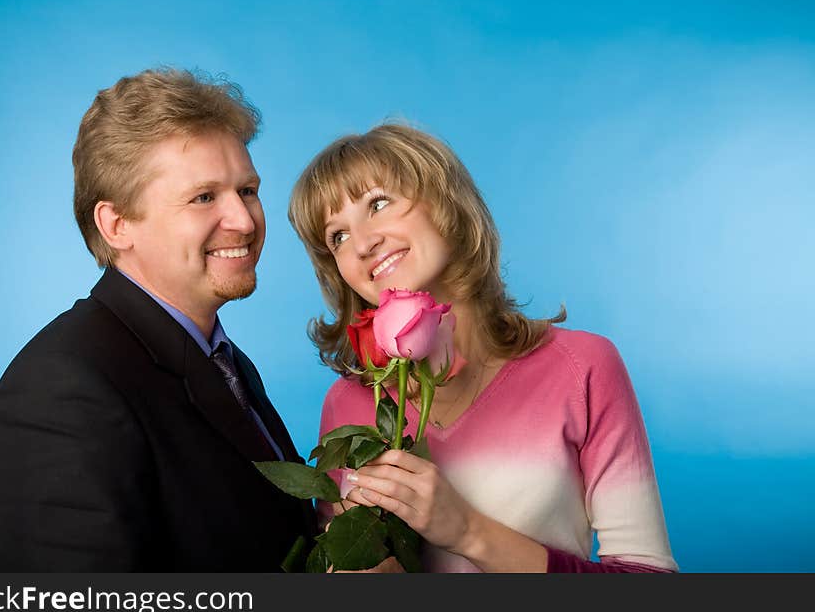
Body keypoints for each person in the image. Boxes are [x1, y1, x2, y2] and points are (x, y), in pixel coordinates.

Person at [288, 123, 678, 572]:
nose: (361, 244)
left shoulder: (583, 367)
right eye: (337, 236)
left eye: (379, 203)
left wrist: (467, 531)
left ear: (446, 204)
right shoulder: (349, 404)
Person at [0, 68, 317, 571]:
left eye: (246, 190)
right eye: (203, 197)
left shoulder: (223, 361)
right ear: (117, 225)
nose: (244, 221)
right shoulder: (60, 392)